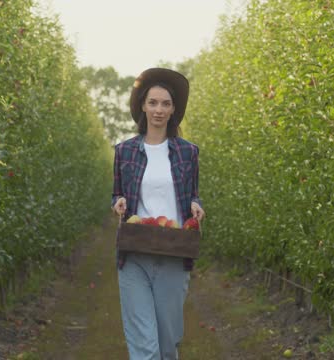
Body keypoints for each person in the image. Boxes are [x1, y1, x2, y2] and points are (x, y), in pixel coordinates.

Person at [111, 68, 205, 360]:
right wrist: (118, 203)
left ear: (174, 109)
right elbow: (117, 194)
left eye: (165, 103)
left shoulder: (187, 152)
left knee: (166, 346)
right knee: (146, 349)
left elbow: (193, 195)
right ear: (143, 105)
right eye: (153, 102)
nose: (159, 110)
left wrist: (197, 207)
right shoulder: (125, 151)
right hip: (135, 253)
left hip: (173, 254)